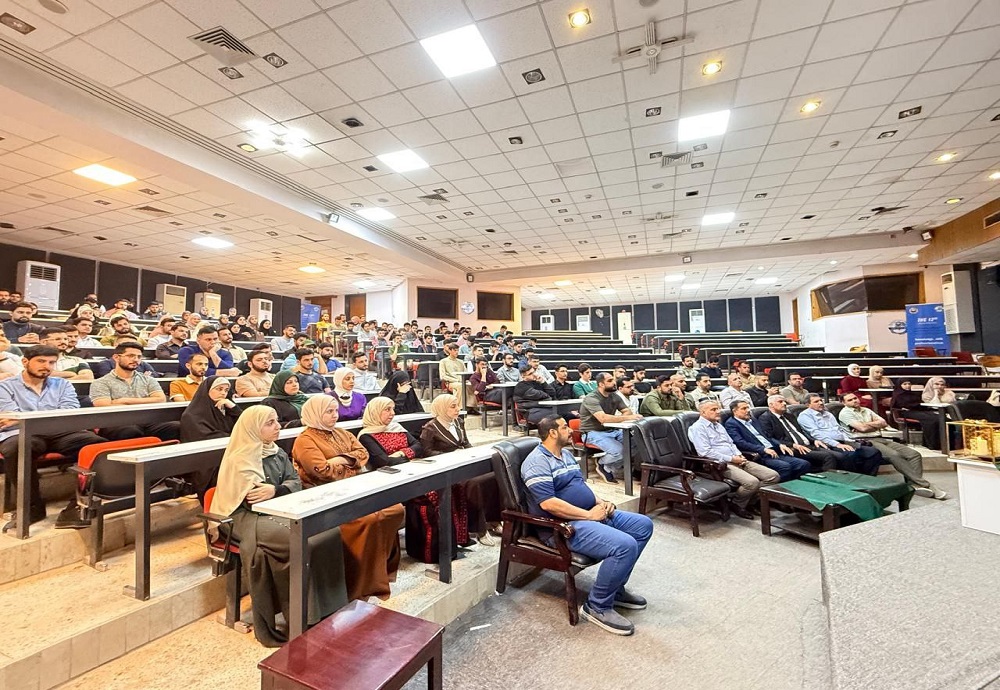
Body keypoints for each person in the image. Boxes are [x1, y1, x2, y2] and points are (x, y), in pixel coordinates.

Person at [212, 406, 347, 647]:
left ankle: (329, 608)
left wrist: (276, 490)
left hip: (279, 508)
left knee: (328, 531)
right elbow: (252, 499)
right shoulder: (240, 457)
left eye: (276, 421)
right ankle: (303, 617)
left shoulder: (276, 451)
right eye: (270, 423)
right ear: (253, 428)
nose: (277, 427)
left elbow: (294, 481)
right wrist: (275, 491)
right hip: (245, 517)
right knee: (303, 540)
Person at [522, 415, 652, 636]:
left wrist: (601, 503)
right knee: (625, 545)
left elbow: (580, 486)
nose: (571, 430)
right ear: (552, 432)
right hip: (563, 526)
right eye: (565, 427)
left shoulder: (566, 454)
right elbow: (549, 504)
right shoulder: (537, 462)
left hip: (587, 514)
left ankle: (615, 589)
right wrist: (589, 515)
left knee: (643, 525)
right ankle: (597, 606)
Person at [292, 396, 404, 601]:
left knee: (395, 510)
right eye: (329, 412)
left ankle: (379, 571)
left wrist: (341, 460)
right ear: (315, 413)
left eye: (336, 411)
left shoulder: (341, 432)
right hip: (323, 495)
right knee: (367, 519)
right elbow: (322, 471)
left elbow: (363, 454)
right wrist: (351, 464)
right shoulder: (305, 440)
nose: (335, 415)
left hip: (352, 488)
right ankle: (358, 582)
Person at [0, 346, 106, 524]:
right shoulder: (5, 386)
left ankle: (78, 504)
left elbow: (69, 410)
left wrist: (24, 417)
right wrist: (47, 415)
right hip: (22, 433)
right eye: (41, 361)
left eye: (51, 362)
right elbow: (9, 415)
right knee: (17, 447)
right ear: (25, 362)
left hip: (58, 431)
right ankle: (32, 507)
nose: (47, 366)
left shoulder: (63, 384)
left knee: (97, 445)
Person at [420, 393, 502, 543]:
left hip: (463, 462)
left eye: (458, 405)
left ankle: (493, 519)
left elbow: (465, 443)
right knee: (475, 484)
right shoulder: (430, 428)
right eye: (453, 406)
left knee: (493, 476)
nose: (458, 409)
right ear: (442, 408)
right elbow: (427, 452)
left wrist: (474, 453)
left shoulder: (458, 422)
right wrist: (452, 454)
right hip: (446, 469)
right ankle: (479, 529)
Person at [839, 392, 947, 499]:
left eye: (855, 398)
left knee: (914, 454)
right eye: (850, 400)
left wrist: (868, 425)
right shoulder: (845, 413)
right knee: (894, 455)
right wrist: (874, 425)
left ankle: (914, 484)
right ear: (844, 403)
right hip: (865, 441)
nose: (854, 401)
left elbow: (883, 423)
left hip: (880, 438)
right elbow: (862, 429)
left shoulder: (866, 410)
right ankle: (926, 484)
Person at [688, 399, 779, 519]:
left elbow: (731, 443)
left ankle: (749, 501)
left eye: (718, 408)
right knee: (752, 483)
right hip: (720, 464)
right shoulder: (697, 428)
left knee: (773, 476)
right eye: (713, 409)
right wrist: (731, 458)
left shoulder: (718, 425)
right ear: (703, 412)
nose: (718, 412)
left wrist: (738, 454)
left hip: (737, 458)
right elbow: (705, 452)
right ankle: (737, 504)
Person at [89, 342, 180, 441]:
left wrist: (124, 401)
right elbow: (103, 405)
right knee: (129, 431)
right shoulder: (101, 382)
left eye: (139, 357)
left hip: (149, 420)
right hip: (116, 422)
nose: (136, 359)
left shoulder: (148, 379)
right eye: (130, 356)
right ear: (116, 357)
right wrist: (147, 401)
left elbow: (160, 399)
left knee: (175, 426)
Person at [579, 372, 642, 483]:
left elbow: (627, 411)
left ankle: (607, 466)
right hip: (592, 432)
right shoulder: (591, 398)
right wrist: (627, 418)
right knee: (619, 451)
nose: (614, 383)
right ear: (601, 384)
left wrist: (622, 417)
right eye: (609, 381)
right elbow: (603, 418)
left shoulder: (614, 396)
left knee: (637, 445)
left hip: (612, 430)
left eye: (613, 380)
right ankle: (602, 463)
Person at [797, 394, 883, 475]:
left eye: (821, 400)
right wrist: (837, 444)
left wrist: (849, 441)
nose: (820, 403)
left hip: (843, 441)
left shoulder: (828, 414)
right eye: (816, 401)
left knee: (873, 452)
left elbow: (839, 430)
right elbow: (816, 434)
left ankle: (866, 476)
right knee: (850, 454)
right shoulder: (805, 416)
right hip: (827, 444)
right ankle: (853, 478)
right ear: (808, 405)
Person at [725, 400, 811, 481]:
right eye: (744, 408)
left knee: (803, 464)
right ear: (735, 411)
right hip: (760, 454)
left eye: (748, 407)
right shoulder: (731, 424)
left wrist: (779, 444)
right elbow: (740, 443)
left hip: (774, 450)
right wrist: (763, 449)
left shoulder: (753, 420)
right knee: (785, 467)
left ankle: (794, 484)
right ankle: (779, 489)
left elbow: (767, 436)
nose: (748, 410)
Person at [757, 395, 839, 471]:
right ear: (771, 405)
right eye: (780, 402)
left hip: (808, 445)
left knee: (837, 455)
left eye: (784, 401)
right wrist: (793, 445)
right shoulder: (765, 418)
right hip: (793, 448)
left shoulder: (789, 416)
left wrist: (814, 440)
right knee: (828, 457)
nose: (784, 403)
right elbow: (770, 438)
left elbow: (801, 432)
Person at [438, 343, 477, 413]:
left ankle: (471, 407)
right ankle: (460, 407)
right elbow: (442, 376)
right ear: (450, 351)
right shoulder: (443, 361)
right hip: (451, 382)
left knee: (470, 385)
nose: (457, 352)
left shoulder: (461, 362)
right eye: (455, 350)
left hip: (462, 380)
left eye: (457, 350)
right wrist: (456, 380)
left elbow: (466, 373)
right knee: (460, 386)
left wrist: (466, 380)